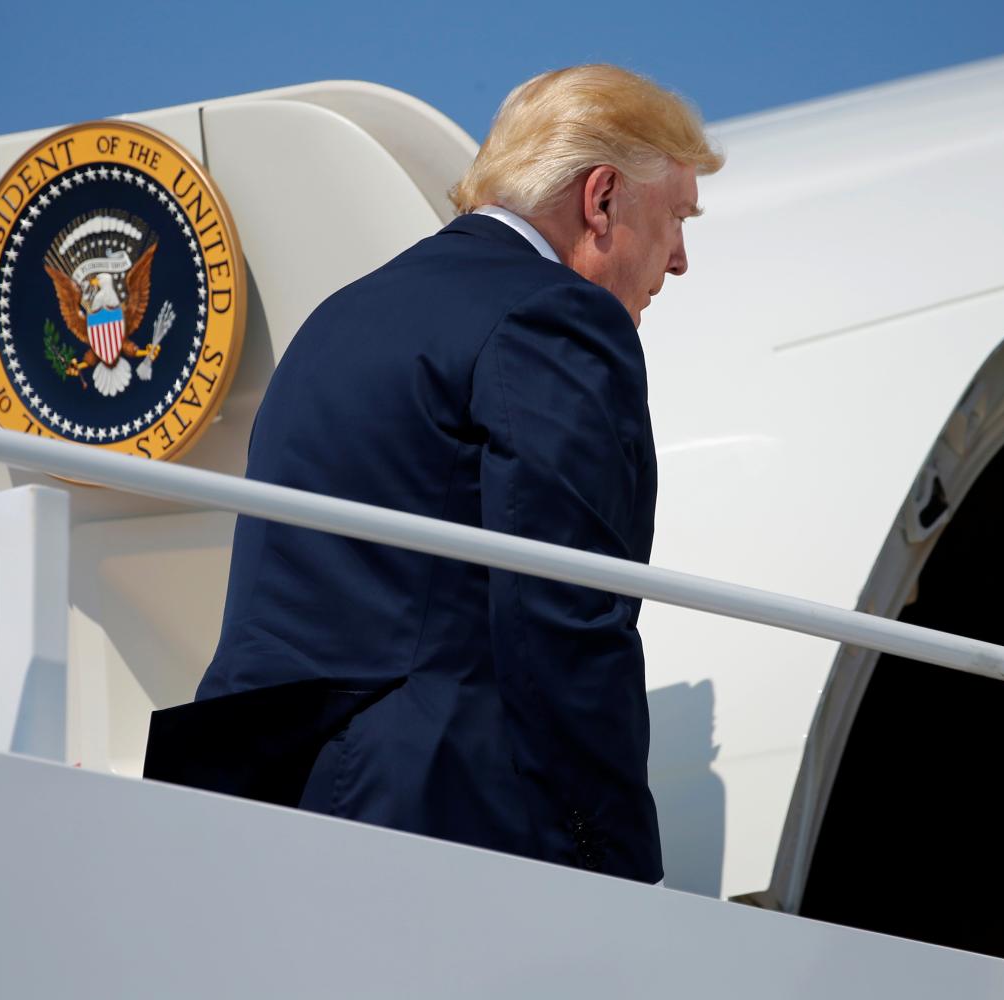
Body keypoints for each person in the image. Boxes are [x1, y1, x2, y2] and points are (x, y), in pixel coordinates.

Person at [194, 65, 724, 883]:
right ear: (603, 200)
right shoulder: (554, 314)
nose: (682, 259)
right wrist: (615, 863)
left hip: (255, 807)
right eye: (678, 216)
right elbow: (565, 607)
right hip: (436, 821)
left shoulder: (339, 317)